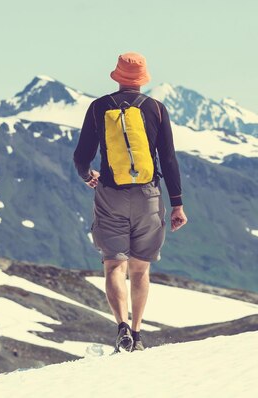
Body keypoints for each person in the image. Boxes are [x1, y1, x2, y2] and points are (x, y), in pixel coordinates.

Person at [73, 52, 188, 353]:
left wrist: (88, 176)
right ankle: (136, 334)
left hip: (111, 193)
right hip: (148, 195)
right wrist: (177, 204)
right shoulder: (157, 109)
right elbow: (169, 159)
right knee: (140, 269)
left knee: (114, 265)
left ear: (117, 76)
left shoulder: (99, 107)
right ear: (142, 80)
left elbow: (81, 156)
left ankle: (121, 326)